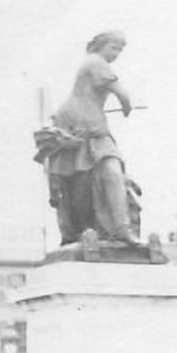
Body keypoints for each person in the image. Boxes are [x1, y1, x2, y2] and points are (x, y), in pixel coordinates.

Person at [38, 31, 142, 248]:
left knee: (110, 171)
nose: (116, 54)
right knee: (84, 185)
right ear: (100, 46)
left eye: (120, 50)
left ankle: (120, 229)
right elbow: (121, 93)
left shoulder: (94, 63)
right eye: (114, 48)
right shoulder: (95, 62)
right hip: (78, 126)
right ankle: (104, 231)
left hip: (92, 127)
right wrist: (126, 106)